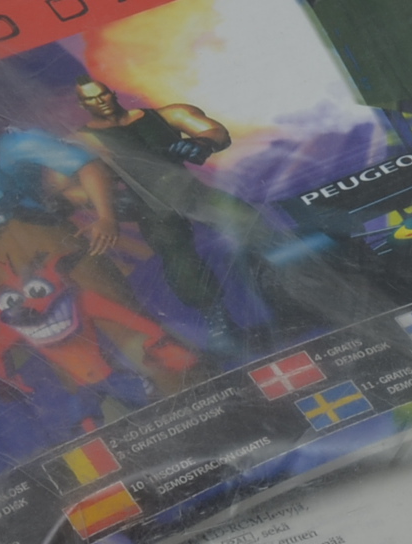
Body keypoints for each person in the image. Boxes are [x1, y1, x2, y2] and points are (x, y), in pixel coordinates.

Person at [0, 95, 198, 394]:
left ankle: (180, 381)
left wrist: (105, 217)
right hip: (2, 257)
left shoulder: (10, 146)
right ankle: (101, 402)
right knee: (50, 332)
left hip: (50, 237)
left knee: (114, 307)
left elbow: (86, 164)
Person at [71, 78, 276, 355]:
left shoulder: (168, 115)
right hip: (149, 205)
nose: (100, 102)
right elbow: (77, 178)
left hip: (189, 191)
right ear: (82, 105)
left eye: (102, 95)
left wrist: (201, 143)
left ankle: (276, 287)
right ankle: (217, 321)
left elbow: (216, 132)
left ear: (112, 93)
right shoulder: (84, 139)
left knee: (254, 226)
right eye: (91, 99)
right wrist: (108, 211)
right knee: (178, 258)